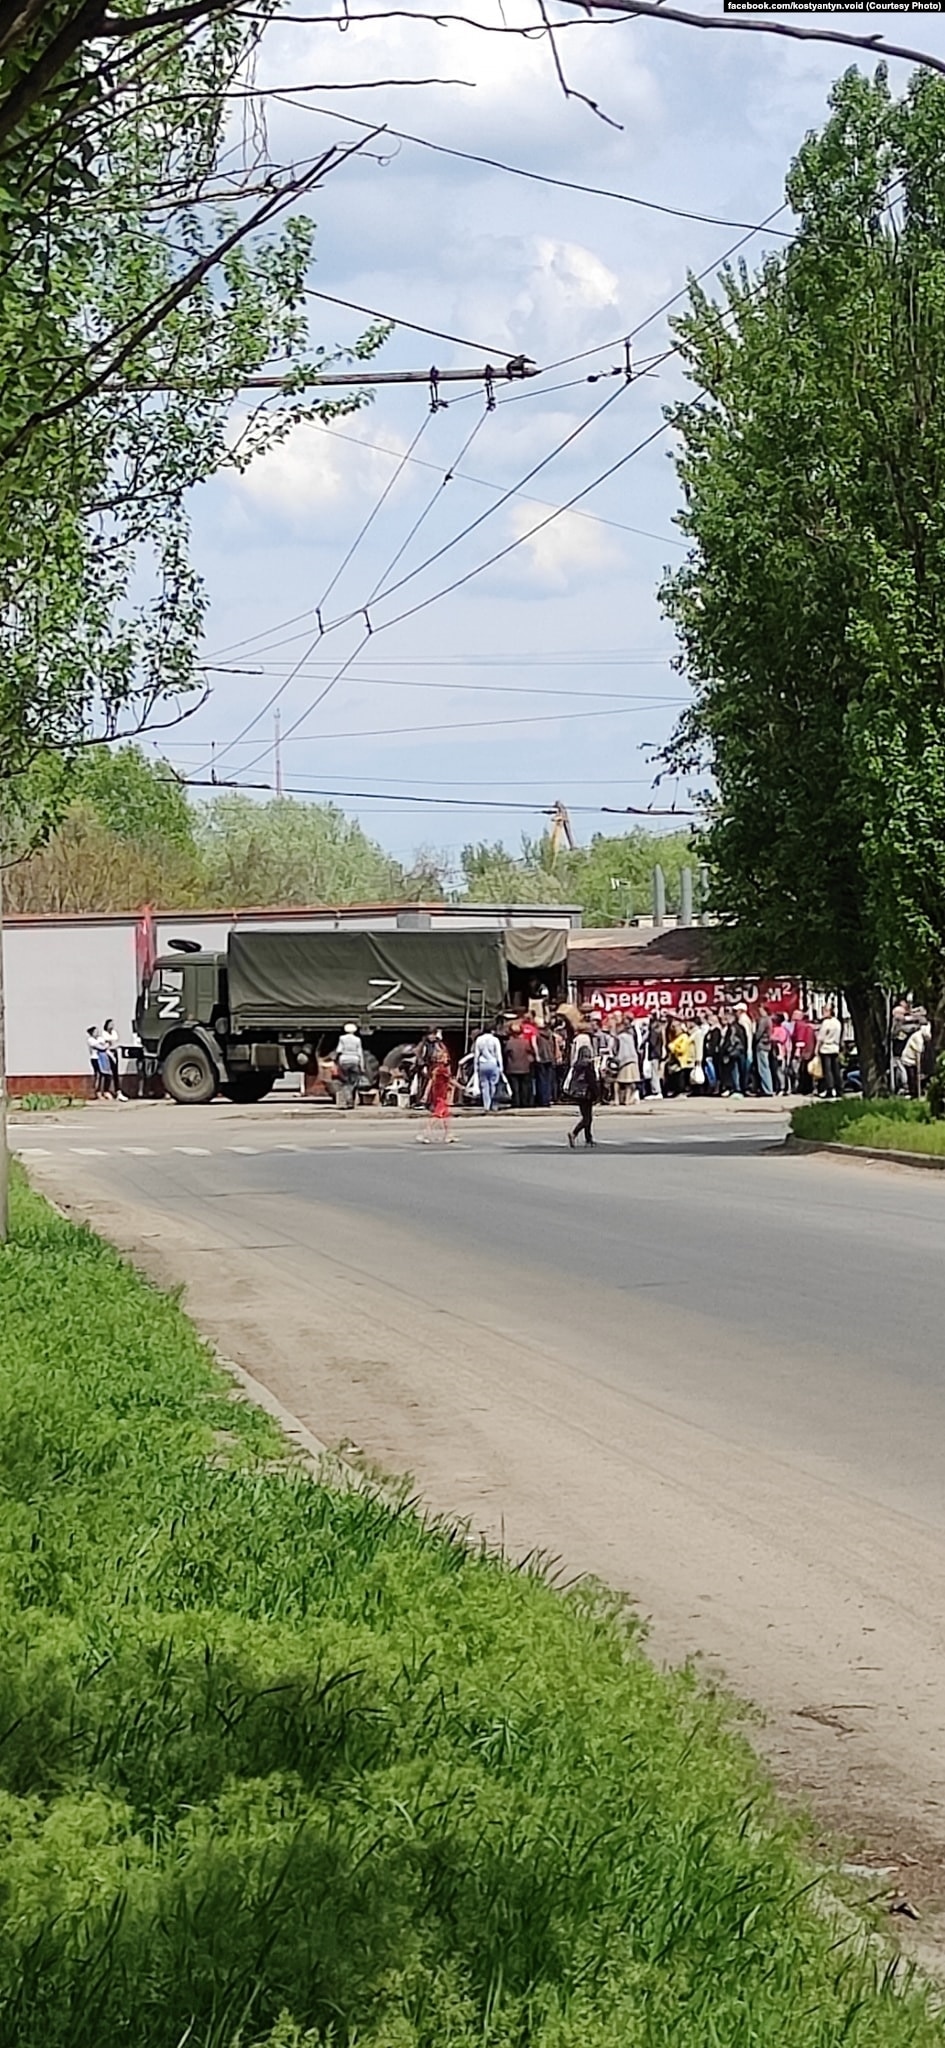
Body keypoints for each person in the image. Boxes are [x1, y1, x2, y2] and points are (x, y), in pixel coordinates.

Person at [565, 1032, 599, 1149]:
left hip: (578, 1093)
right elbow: (592, 1081)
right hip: (587, 1093)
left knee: (586, 1115)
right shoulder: (588, 1066)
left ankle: (588, 1139)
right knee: (587, 1117)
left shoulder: (577, 1065)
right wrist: (597, 1093)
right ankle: (574, 1133)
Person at [418, 1041, 456, 1142]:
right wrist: (463, 1087)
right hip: (440, 1097)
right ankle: (424, 1134)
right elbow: (451, 1081)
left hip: (438, 1095)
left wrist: (426, 1095)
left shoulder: (436, 1069)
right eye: (445, 1057)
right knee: (436, 1116)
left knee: (446, 1115)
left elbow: (431, 1082)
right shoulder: (442, 1070)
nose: (447, 1058)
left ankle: (449, 1134)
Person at [504, 1018, 535, 1109]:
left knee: (515, 1087)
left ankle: (516, 1102)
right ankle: (524, 1102)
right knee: (524, 1086)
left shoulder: (509, 1043)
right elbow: (530, 1051)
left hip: (512, 1067)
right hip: (525, 1067)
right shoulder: (525, 1042)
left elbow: (506, 1053)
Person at [472, 1024, 504, 1112]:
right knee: (494, 1084)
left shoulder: (479, 1039)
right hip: (493, 1063)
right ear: (492, 1030)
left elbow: (477, 1054)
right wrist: (501, 1066)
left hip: (482, 1064)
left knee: (484, 1085)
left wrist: (476, 1067)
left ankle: (486, 1105)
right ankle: (493, 1104)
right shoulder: (495, 1040)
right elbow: (498, 1054)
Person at [333, 1022, 364, 1110]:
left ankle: (348, 1099)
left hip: (344, 1061)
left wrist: (336, 1061)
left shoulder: (342, 1038)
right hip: (355, 1061)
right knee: (354, 1082)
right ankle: (351, 1101)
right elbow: (360, 1052)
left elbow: (339, 1050)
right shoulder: (357, 1040)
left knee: (345, 1082)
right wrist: (362, 1065)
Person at [815, 1004, 843, 1099]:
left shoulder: (826, 1023)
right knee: (836, 1069)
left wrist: (817, 1048)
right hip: (835, 1047)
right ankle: (839, 1089)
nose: (823, 1013)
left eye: (825, 1011)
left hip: (826, 1048)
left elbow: (821, 1037)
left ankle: (830, 1089)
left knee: (827, 1070)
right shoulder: (837, 1022)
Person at [901, 1020, 932, 1100]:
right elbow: (918, 1054)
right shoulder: (918, 1038)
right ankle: (914, 1094)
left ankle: (918, 1092)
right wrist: (919, 1068)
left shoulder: (923, 1037)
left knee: (917, 1077)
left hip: (914, 1059)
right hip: (909, 1059)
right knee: (912, 1077)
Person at [614, 1019, 640, 1106]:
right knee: (630, 1082)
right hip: (632, 1059)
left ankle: (617, 1099)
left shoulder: (619, 1037)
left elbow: (615, 1049)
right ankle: (627, 1099)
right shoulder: (631, 1036)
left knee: (617, 1081)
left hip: (622, 1060)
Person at [792, 1007, 817, 1094]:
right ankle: (807, 1087)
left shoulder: (799, 1025)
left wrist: (798, 1050)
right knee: (806, 1069)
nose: (792, 1015)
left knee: (803, 1070)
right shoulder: (807, 1026)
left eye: (795, 1014)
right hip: (810, 1049)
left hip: (805, 1050)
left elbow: (800, 1037)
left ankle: (804, 1088)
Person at [533, 1021, 557, 1108]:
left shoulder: (537, 1035)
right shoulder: (550, 1034)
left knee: (541, 1080)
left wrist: (537, 1056)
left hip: (541, 1058)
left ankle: (542, 1100)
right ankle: (548, 1099)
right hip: (550, 1058)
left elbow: (535, 1046)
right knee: (548, 1080)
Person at [753, 1004, 774, 1097]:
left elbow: (759, 1033)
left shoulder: (763, 1020)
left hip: (761, 1045)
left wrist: (754, 1039)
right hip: (767, 1045)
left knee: (763, 1068)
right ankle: (767, 1088)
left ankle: (767, 1089)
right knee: (765, 1067)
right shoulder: (769, 1020)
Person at [102, 1018, 123, 1099]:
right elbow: (108, 1041)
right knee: (107, 1072)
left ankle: (118, 1090)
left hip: (114, 1052)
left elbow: (114, 1040)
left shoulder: (114, 1032)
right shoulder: (104, 1033)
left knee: (115, 1072)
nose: (112, 1026)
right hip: (108, 1052)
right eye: (110, 1024)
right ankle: (106, 1090)